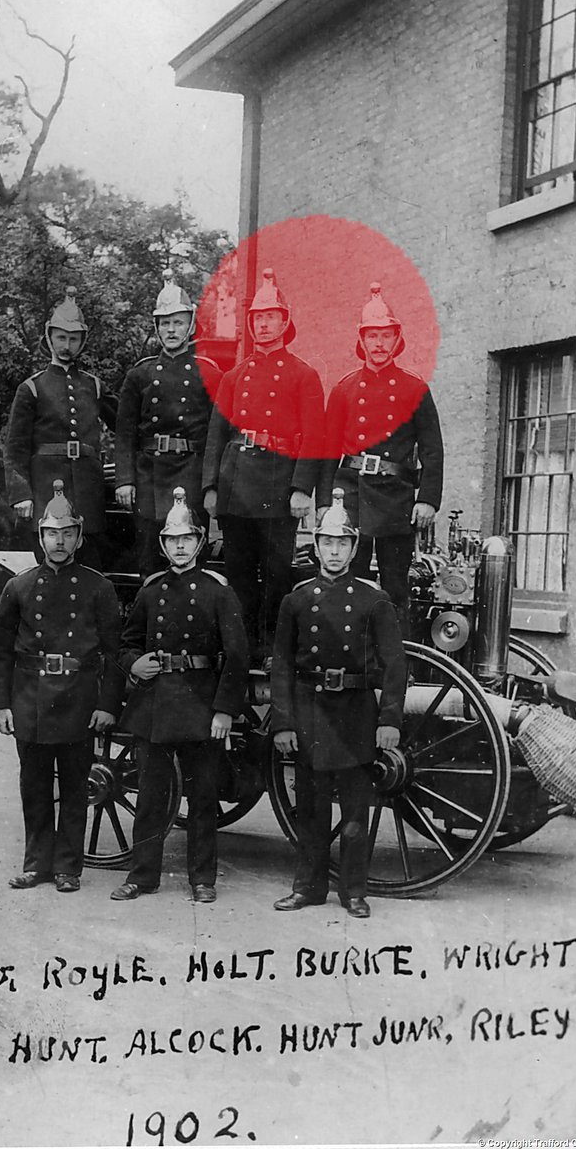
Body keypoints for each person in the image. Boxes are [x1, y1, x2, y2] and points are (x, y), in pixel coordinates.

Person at [271, 488, 406, 918]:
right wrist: (283, 723)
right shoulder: (296, 599)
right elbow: (282, 666)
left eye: (342, 544)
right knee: (310, 810)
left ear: (354, 548)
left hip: (355, 714)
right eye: (327, 543)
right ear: (316, 547)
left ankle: (354, 891)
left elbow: (395, 665)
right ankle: (307, 888)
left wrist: (389, 720)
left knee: (354, 814)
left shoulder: (373, 600)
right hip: (310, 713)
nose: (334, 552)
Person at [111, 488, 248, 904]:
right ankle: (142, 876)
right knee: (151, 795)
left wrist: (224, 710)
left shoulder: (218, 591)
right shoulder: (151, 590)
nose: (180, 547)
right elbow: (126, 644)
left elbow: (237, 655)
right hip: (154, 704)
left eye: (187, 539)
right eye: (172, 540)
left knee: (203, 796)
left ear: (199, 542)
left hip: (199, 703)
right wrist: (134, 663)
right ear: (163, 545)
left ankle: (202, 879)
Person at [0, 481, 123, 893]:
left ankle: (68, 867)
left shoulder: (98, 587)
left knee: (75, 785)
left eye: (67, 534)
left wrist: (107, 705)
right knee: (34, 786)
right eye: (52, 534)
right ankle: (36, 865)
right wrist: (0, 705)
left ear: (79, 538)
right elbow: (0, 652)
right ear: (41, 537)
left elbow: (114, 654)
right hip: (30, 698)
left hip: (78, 698)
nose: (59, 542)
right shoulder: (19, 586)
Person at [202, 268, 324, 662]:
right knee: (238, 574)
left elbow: (315, 437)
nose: (263, 325)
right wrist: (211, 487)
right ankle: (240, 649)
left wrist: (302, 489)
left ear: (285, 322)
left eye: (271, 317)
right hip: (236, 485)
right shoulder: (234, 377)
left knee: (276, 575)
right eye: (257, 318)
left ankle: (273, 649)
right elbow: (217, 436)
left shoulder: (304, 375)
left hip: (278, 486)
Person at [319, 283, 443, 636]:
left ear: (396, 339)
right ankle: (348, 651)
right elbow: (328, 450)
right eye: (371, 336)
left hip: (395, 497)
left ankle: (394, 656)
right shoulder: (344, 389)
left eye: (385, 336)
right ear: (361, 340)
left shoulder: (414, 389)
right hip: (351, 495)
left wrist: (427, 499)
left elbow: (432, 449)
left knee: (395, 586)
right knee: (348, 580)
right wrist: (324, 503)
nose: (378, 344)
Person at [115, 269, 222, 576]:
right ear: (157, 327)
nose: (171, 330)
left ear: (191, 325)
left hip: (191, 472)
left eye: (178, 322)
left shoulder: (209, 372)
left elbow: (217, 436)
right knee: (150, 559)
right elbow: (125, 433)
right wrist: (125, 479)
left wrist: (210, 485)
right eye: (165, 323)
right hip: (149, 476)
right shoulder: (140, 374)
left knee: (191, 556)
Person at [3, 286, 115, 569]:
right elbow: (15, 447)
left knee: (90, 570)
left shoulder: (94, 386)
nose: (67, 345)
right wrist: (21, 494)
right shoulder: (32, 388)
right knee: (48, 572)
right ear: (50, 337)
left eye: (74, 339)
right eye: (61, 338)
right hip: (45, 492)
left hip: (88, 494)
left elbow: (125, 426)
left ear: (82, 342)